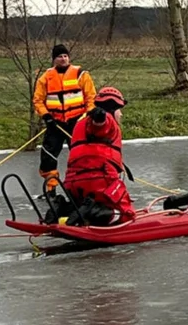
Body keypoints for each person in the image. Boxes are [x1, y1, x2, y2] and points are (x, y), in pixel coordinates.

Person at [49, 86, 134, 227]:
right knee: (125, 215)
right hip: (99, 179)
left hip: (72, 182)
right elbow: (99, 126)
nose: (121, 115)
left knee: (86, 206)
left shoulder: (79, 124)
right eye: (119, 110)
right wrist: (100, 117)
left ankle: (63, 209)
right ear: (112, 109)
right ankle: (93, 212)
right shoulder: (105, 120)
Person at [32, 44, 97, 196]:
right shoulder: (46, 78)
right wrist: (46, 116)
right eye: (60, 56)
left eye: (65, 56)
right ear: (54, 59)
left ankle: (84, 188)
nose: (63, 59)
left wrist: (87, 116)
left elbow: (91, 97)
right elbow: (38, 100)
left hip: (77, 122)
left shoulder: (80, 74)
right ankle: (50, 189)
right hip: (55, 123)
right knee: (48, 156)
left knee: (82, 156)